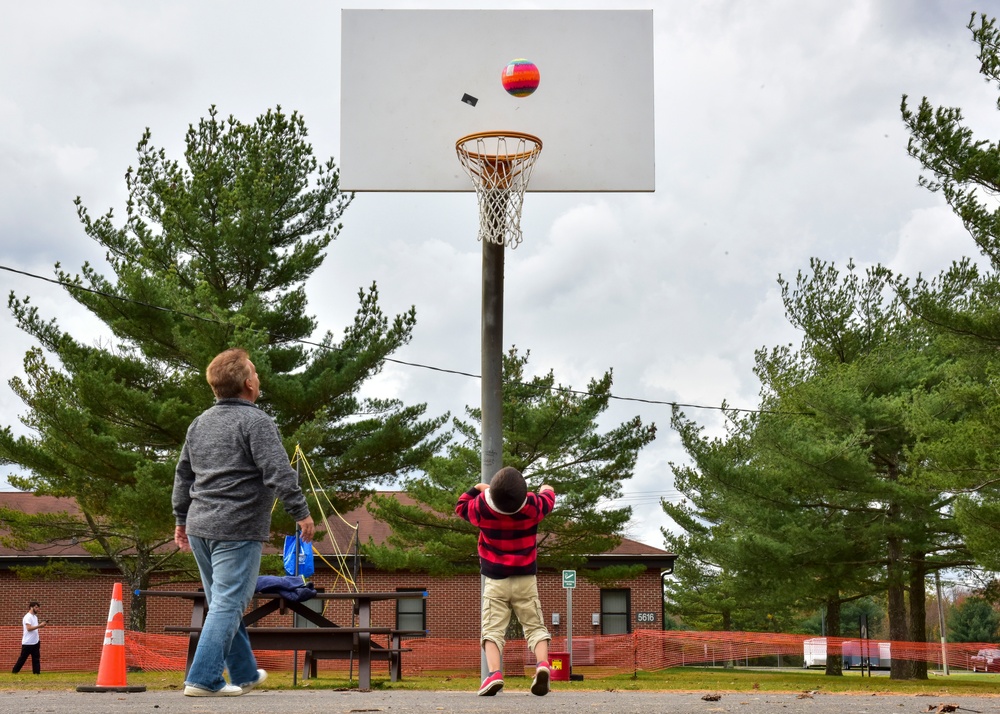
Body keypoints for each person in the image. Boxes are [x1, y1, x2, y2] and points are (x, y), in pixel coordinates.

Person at [173, 348, 315, 697]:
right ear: (249, 384)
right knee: (229, 603)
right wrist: (300, 510)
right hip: (236, 528)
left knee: (223, 601)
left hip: (200, 525)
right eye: (255, 371)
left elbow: (183, 475)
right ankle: (203, 678)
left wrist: (180, 518)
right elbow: (279, 471)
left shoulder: (199, 423)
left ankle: (244, 673)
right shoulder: (256, 421)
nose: (259, 377)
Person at [456, 466, 556, 697]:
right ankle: (542, 664)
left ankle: (494, 674)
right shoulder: (532, 505)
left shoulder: (481, 507)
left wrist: (479, 488)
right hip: (526, 579)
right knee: (535, 627)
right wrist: (547, 489)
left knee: (492, 630)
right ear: (523, 492)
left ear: (492, 493)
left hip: (495, 580)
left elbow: (461, 505)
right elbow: (548, 499)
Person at [11, 601, 47, 674]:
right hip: (28, 643)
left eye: (38, 608)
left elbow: (35, 628)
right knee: (22, 658)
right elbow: (29, 628)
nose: (38, 609)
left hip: (36, 642)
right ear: (31, 607)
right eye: (36, 607)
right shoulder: (27, 617)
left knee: (36, 659)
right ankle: (14, 671)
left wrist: (40, 626)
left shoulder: (35, 617)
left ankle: (37, 673)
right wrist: (40, 626)